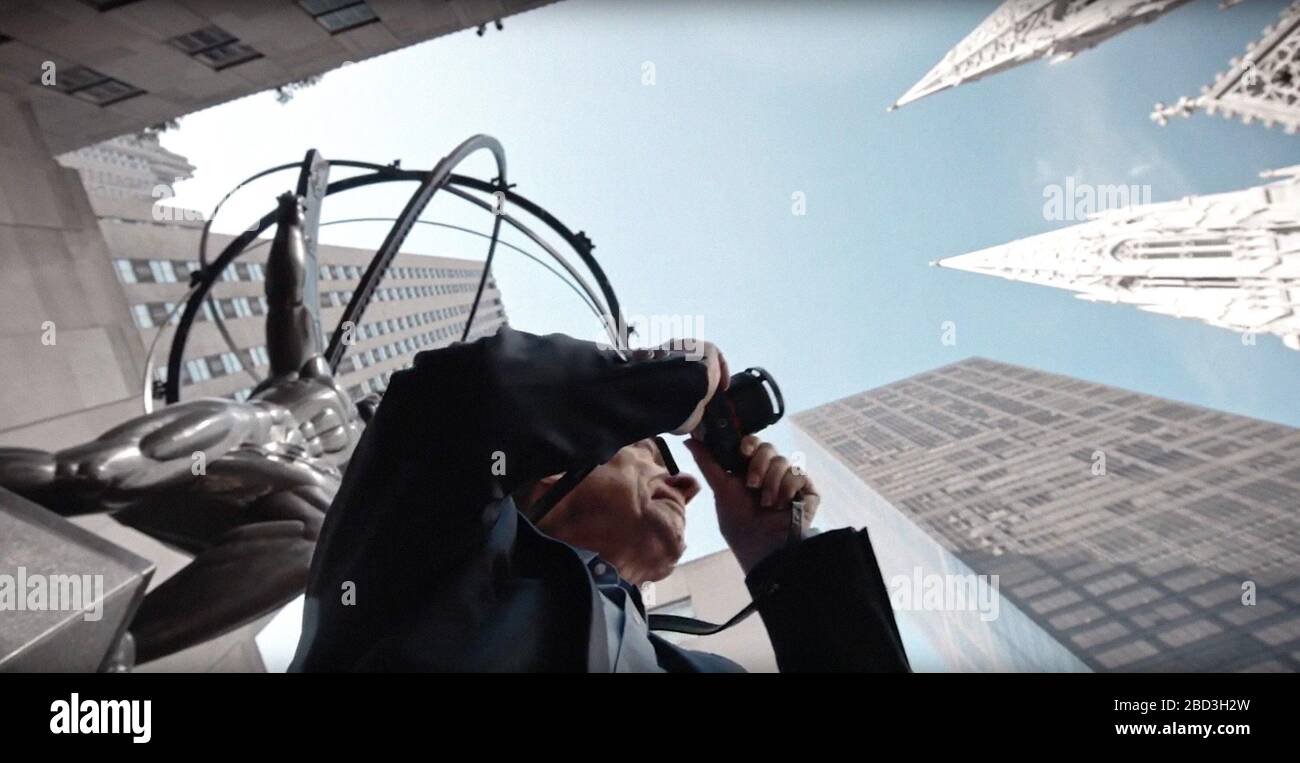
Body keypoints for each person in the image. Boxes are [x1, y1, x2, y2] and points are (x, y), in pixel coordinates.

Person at [290, 328, 910, 672]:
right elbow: (455, 407)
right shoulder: (423, 541)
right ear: (547, 468)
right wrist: (667, 383)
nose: (691, 486)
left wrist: (781, 561)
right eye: (648, 450)